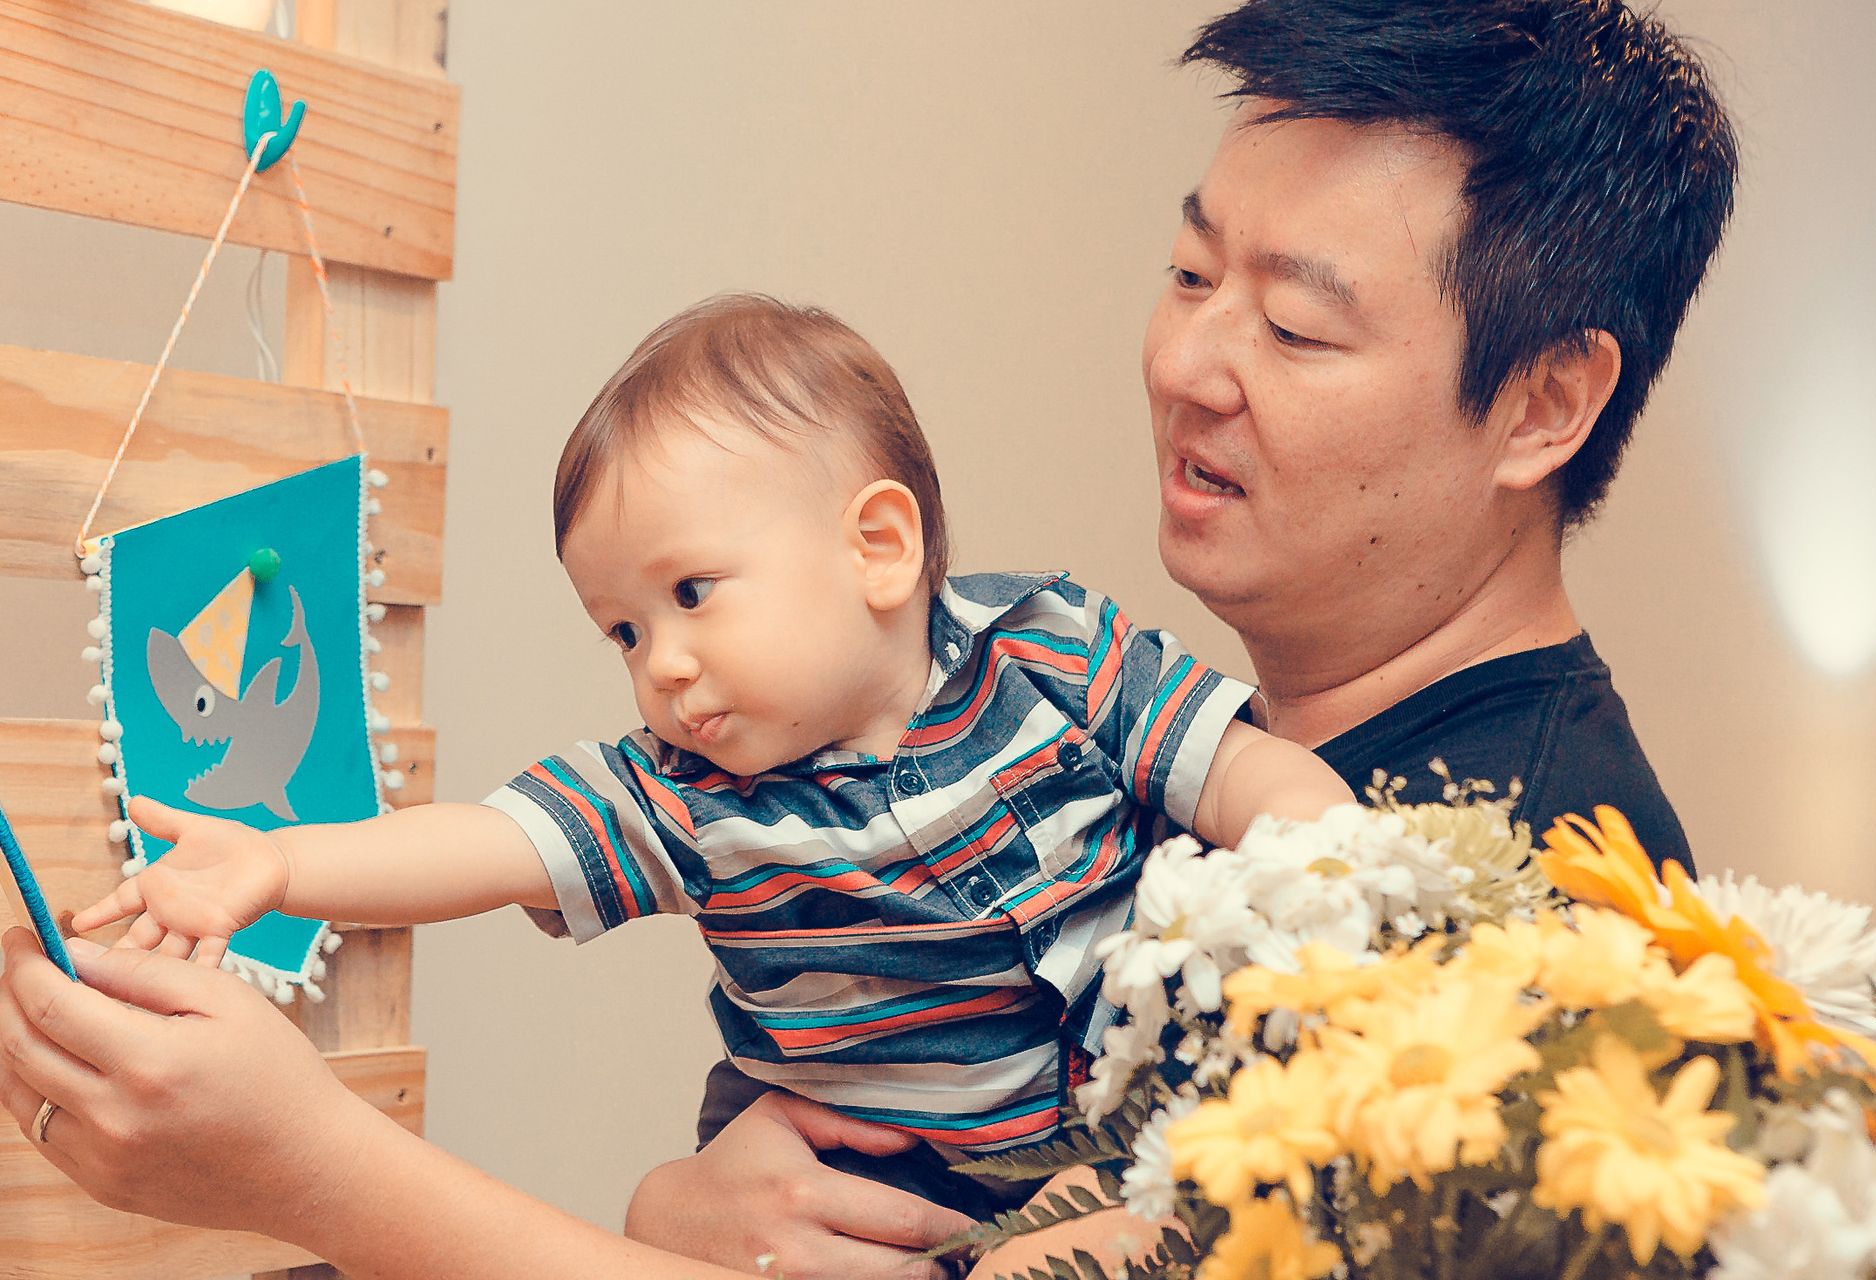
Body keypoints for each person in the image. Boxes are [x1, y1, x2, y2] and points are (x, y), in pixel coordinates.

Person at [0, 0, 1734, 1276]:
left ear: (1544, 403)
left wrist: (315, 1175)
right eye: (1193, 273)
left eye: (1294, 322)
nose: (1189, 361)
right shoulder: (1062, 755)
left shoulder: (1536, 914)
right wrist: (689, 1205)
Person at [67, 293, 1352, 1216]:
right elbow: (484, 840)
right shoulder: (680, 793)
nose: (659, 663)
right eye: (622, 627)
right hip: (853, 1169)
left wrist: (1329, 848)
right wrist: (277, 863)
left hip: (1106, 1133)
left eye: (692, 593)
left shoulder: (1052, 647)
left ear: (880, 548)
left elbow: (1229, 768)